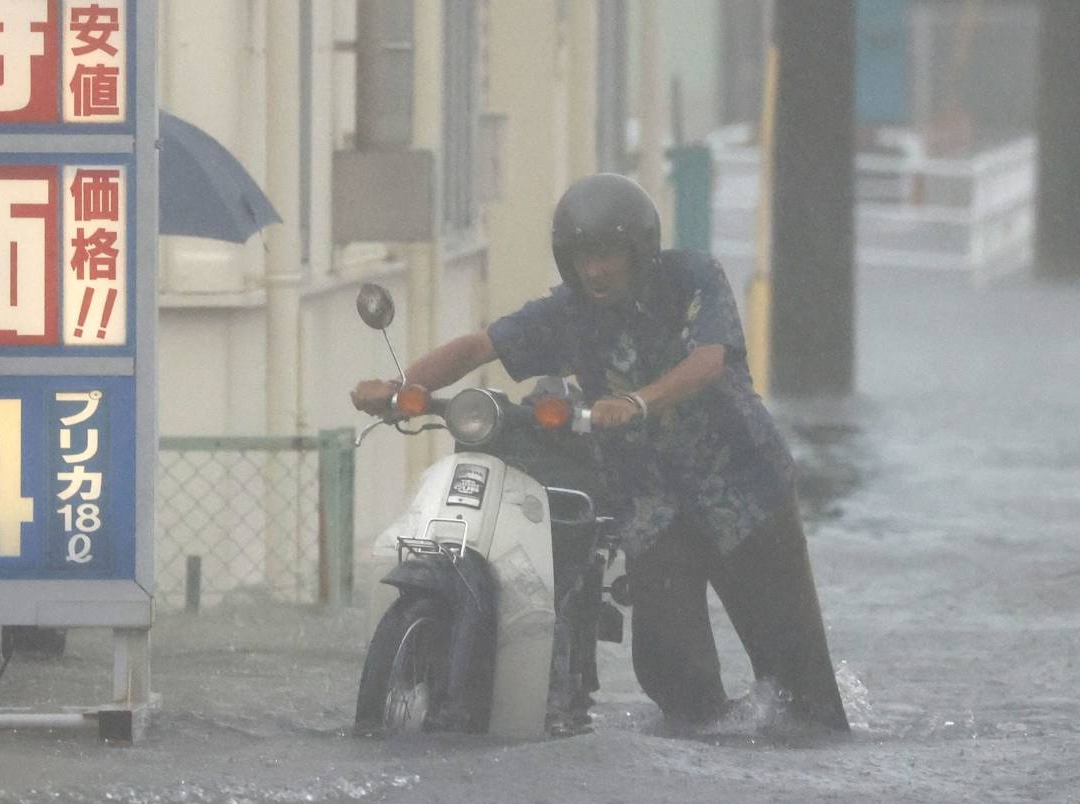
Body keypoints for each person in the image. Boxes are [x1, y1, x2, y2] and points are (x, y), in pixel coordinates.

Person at [350, 173, 849, 733]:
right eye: (583, 257)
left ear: (638, 250)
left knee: (801, 692)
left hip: (744, 497)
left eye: (608, 254)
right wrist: (401, 390)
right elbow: (479, 346)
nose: (596, 270)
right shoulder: (568, 312)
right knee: (671, 675)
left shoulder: (692, 278)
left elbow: (710, 360)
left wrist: (637, 401)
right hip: (654, 510)